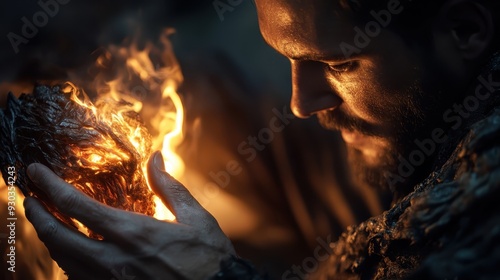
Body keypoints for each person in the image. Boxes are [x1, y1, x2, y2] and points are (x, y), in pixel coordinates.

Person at [24, 0, 500, 279]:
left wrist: (214, 274)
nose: (303, 102)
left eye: (337, 64)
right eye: (287, 57)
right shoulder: (409, 130)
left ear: (464, 30)